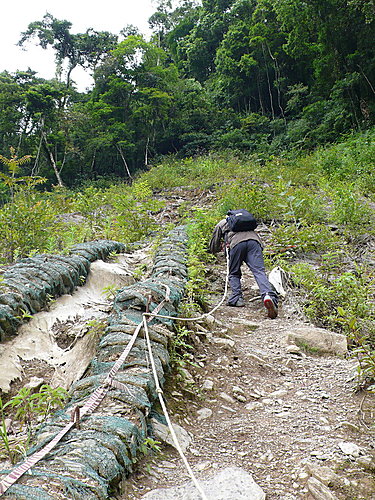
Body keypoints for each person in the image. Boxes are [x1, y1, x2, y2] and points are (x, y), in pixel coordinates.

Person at [209, 213, 278, 318]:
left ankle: (237, 298)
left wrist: (218, 249)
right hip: (254, 242)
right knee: (259, 271)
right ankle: (268, 295)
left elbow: (213, 246)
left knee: (234, 272)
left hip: (236, 244)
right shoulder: (247, 222)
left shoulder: (223, 223)